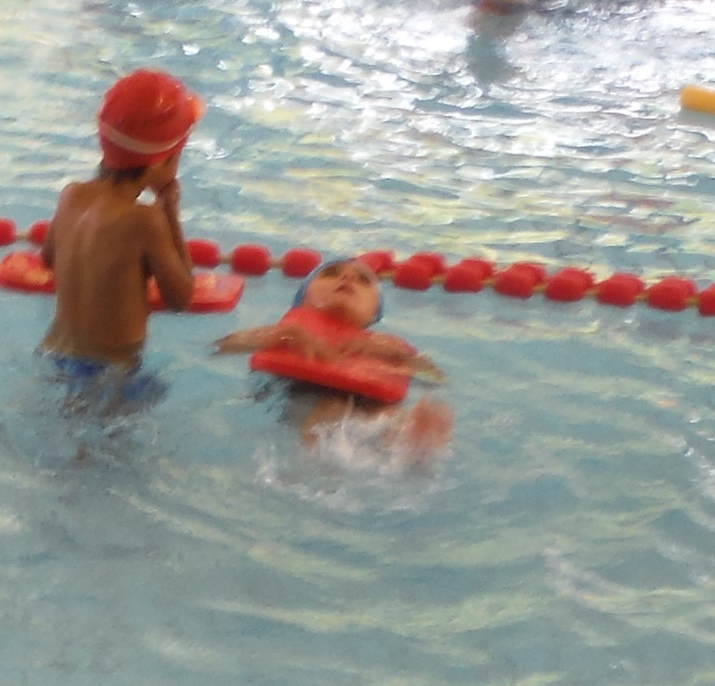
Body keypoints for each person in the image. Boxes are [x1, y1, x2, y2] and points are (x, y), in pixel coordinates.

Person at [37, 71, 201, 393]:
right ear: (162, 162)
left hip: (52, 353)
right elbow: (181, 298)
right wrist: (170, 210)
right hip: (109, 373)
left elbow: (48, 259)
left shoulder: (72, 195)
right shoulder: (144, 220)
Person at [214, 254, 454, 456]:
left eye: (363, 280)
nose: (347, 278)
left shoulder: (386, 346)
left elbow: (436, 379)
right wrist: (283, 335)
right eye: (331, 274)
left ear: (374, 312)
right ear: (302, 298)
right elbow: (223, 346)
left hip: (366, 399)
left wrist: (402, 357)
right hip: (290, 392)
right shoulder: (288, 331)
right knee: (331, 409)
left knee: (389, 415)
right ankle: (323, 464)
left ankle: (414, 441)